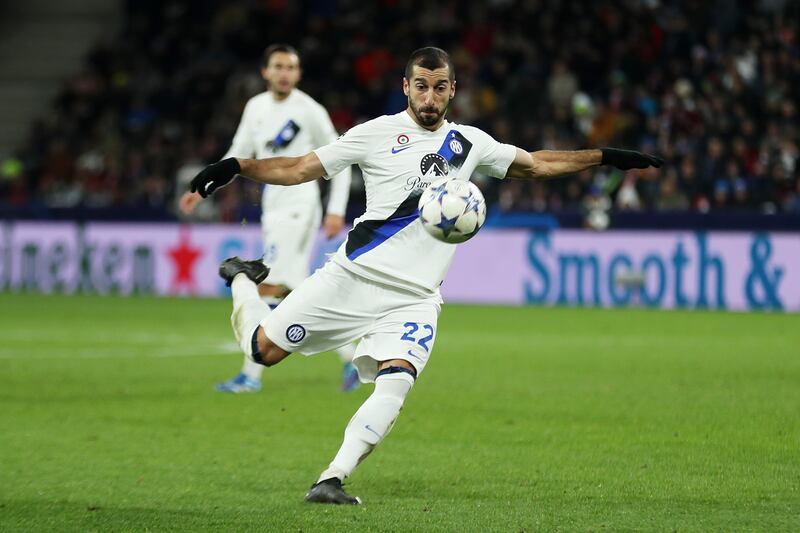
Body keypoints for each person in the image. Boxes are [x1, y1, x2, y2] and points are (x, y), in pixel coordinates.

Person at [189, 47, 663, 504]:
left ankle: (332, 478)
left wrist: (604, 157)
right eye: (422, 86)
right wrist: (238, 166)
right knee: (261, 350)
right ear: (406, 87)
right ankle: (241, 278)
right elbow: (298, 168)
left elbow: (536, 164)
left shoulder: (469, 143)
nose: (430, 97)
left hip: (415, 299)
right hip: (351, 278)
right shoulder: (374, 133)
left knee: (396, 382)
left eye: (439, 88)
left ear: (452, 89)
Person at [179, 44, 358, 393]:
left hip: (299, 206)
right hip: (273, 208)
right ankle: (350, 358)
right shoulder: (256, 107)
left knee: (266, 286)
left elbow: (341, 157)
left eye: (291, 67)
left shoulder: (309, 110)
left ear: (298, 74)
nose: (284, 73)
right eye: (278, 66)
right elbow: (238, 154)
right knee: (294, 293)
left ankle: (250, 375)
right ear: (265, 71)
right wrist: (204, 188)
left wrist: (336, 209)